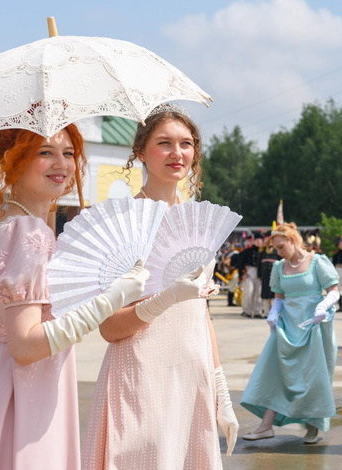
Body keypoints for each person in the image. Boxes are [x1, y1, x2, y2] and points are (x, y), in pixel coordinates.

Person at [0, 125, 149, 470]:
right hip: (25, 393)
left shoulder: (11, 221)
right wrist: (111, 300)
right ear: (15, 160)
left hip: (3, 384)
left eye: (68, 153)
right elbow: (25, 346)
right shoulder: (30, 232)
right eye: (45, 152)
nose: (62, 163)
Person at [81, 104, 239, 470]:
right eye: (164, 143)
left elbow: (203, 316)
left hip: (192, 374)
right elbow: (109, 327)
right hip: (141, 375)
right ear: (140, 151)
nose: (177, 153)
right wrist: (162, 300)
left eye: (186, 144)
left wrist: (221, 389)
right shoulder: (122, 223)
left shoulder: (199, 221)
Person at [241, 222, 340, 445]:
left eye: (280, 247)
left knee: (314, 377)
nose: (278, 252)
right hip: (287, 327)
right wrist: (273, 313)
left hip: (313, 326)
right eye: (275, 248)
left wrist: (322, 307)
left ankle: (313, 428)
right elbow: (279, 297)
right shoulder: (279, 267)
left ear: (293, 241)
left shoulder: (317, 261)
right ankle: (266, 426)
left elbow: (334, 291)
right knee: (275, 372)